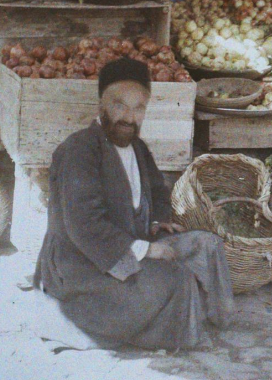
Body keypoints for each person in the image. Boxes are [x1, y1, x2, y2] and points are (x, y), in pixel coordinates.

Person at [33, 58, 237, 349]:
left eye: (139, 108)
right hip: (83, 265)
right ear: (101, 105)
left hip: (131, 243)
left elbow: (158, 190)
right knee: (175, 279)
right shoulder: (79, 150)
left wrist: (157, 221)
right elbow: (84, 225)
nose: (129, 117)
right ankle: (164, 329)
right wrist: (146, 250)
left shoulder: (137, 147)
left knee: (208, 245)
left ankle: (216, 319)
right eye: (120, 105)